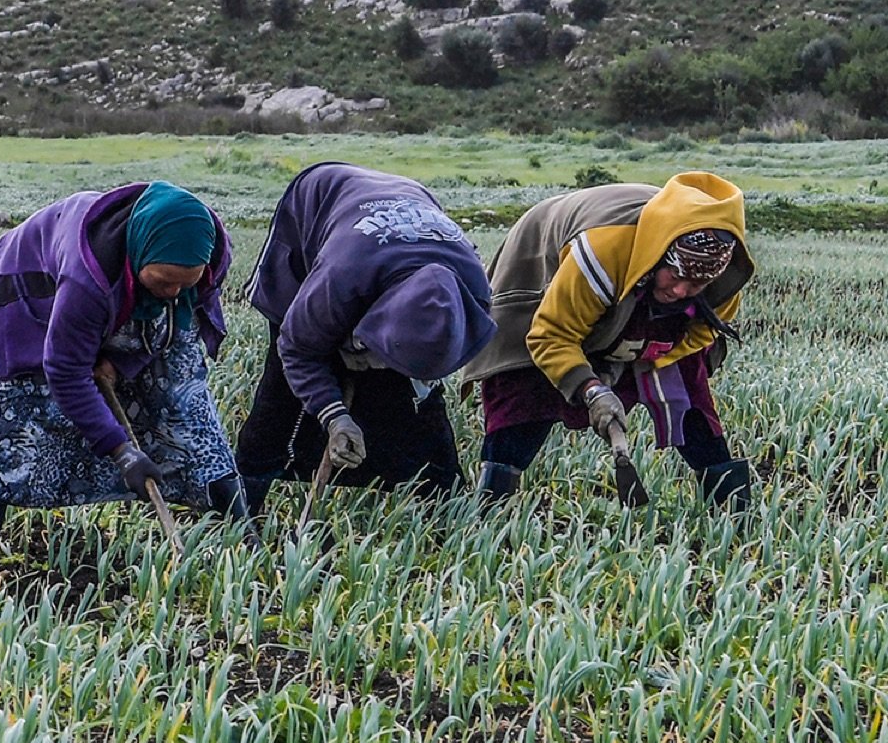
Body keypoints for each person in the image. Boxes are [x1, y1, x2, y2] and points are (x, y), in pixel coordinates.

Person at [0, 181, 236, 568]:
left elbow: (170, 332)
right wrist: (121, 451)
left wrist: (120, 363)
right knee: (19, 412)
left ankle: (242, 528)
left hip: (114, 288)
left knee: (181, 395)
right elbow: (65, 370)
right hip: (29, 283)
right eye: (163, 280)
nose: (174, 291)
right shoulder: (87, 275)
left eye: (184, 283)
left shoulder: (205, 258)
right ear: (140, 258)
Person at [462, 172, 755, 507]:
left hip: (632, 282)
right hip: (547, 256)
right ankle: (492, 502)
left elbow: (697, 337)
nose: (680, 291)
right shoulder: (602, 251)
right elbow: (550, 335)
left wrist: (632, 359)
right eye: (675, 277)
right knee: (525, 392)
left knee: (687, 388)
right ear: (660, 257)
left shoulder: (721, 282)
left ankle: (734, 511)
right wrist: (590, 387)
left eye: (695, 286)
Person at [234, 163, 494, 512]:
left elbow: (425, 379)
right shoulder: (340, 276)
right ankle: (243, 502)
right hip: (319, 201)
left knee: (411, 407)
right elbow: (297, 349)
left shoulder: (473, 295)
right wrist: (335, 416)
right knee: (282, 396)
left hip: (407, 198)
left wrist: (389, 365)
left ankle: (442, 501)